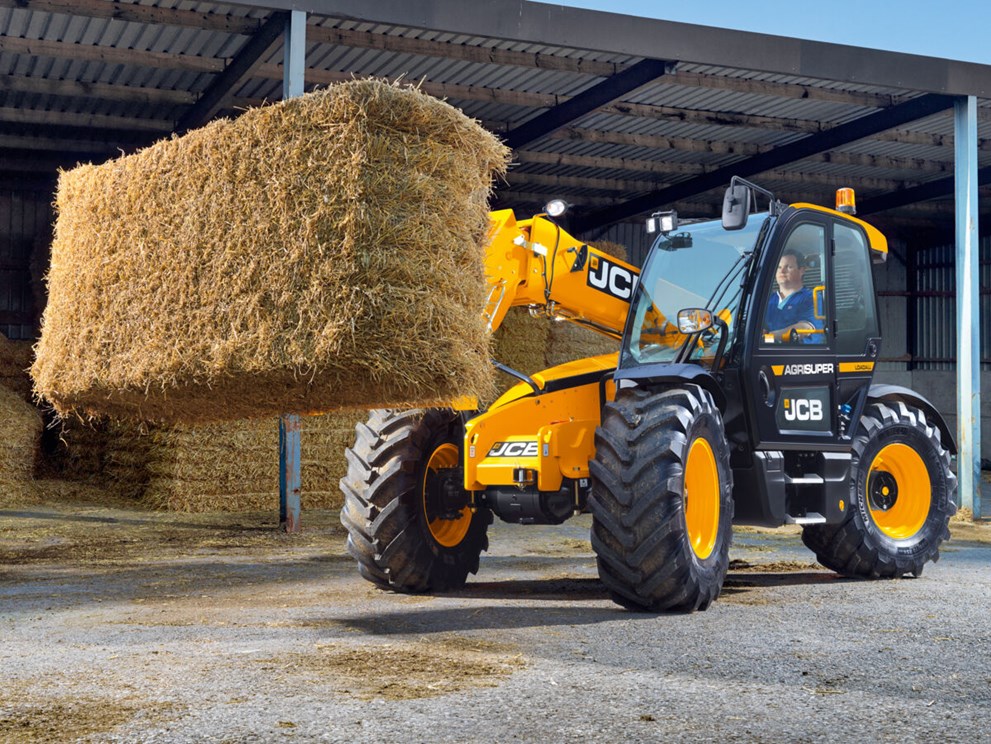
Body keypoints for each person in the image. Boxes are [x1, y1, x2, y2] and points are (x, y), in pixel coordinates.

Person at [765, 248, 824, 344]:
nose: (782, 271)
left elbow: (805, 328)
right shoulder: (767, 300)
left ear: (802, 270)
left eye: (788, 267)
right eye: (779, 267)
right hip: (769, 354)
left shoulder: (811, 297)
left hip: (801, 355)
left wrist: (768, 337)